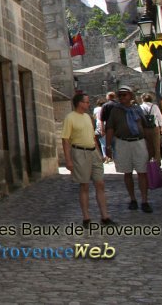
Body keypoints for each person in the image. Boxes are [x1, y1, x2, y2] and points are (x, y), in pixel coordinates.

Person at [62, 93, 114, 226]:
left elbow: (92, 137)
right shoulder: (70, 118)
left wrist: (98, 153)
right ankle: (86, 218)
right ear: (79, 103)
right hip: (80, 152)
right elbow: (66, 139)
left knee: (100, 183)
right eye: (86, 102)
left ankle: (105, 216)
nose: (88, 104)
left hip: (93, 152)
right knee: (84, 185)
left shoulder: (88, 117)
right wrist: (68, 160)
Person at [106, 86, 153, 213]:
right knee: (127, 172)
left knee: (142, 172)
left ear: (130, 96)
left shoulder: (137, 109)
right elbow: (110, 128)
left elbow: (146, 126)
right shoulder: (115, 111)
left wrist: (151, 146)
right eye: (120, 95)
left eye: (124, 95)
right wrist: (108, 145)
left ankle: (144, 200)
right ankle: (132, 199)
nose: (122, 97)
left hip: (139, 142)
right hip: (123, 142)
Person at [139, 93, 162, 160]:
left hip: (145, 128)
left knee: (148, 145)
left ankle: (150, 162)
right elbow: (159, 116)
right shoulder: (154, 106)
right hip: (155, 127)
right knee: (156, 145)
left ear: (142, 99)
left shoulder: (140, 107)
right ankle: (157, 163)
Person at [99, 91, 118, 161]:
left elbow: (101, 119)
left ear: (108, 97)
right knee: (118, 146)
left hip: (109, 128)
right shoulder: (119, 105)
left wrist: (102, 130)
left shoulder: (105, 105)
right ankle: (118, 161)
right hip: (118, 128)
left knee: (110, 144)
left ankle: (111, 158)